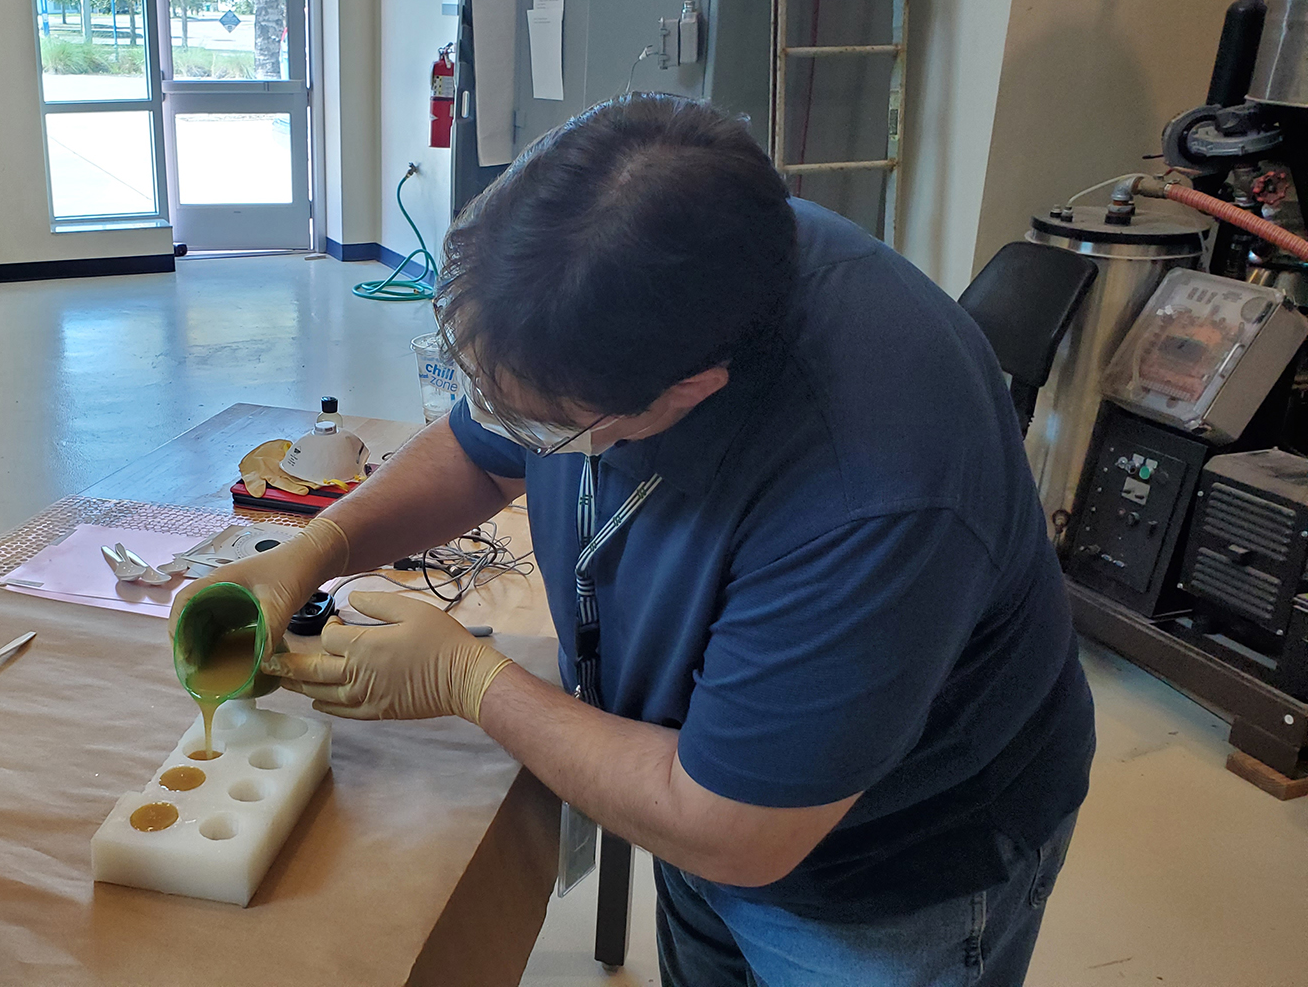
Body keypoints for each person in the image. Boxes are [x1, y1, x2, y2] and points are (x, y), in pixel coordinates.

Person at [169, 93, 1094, 986]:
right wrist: (317, 549)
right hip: (698, 773)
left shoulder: (874, 489)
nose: (500, 424)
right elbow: (481, 453)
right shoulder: (660, 271)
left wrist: (470, 682)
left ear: (689, 392)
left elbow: (733, 829)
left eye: (541, 422)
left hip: (882, 871)